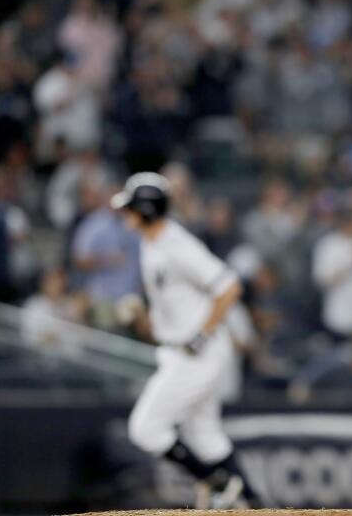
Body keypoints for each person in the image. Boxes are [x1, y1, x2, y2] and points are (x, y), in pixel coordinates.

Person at [110, 172, 253, 508]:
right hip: (180, 350)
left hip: (196, 353)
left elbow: (229, 286)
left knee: (145, 428)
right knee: (205, 436)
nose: (125, 214)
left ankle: (218, 482)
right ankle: (253, 499)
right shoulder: (152, 243)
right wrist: (142, 318)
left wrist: (202, 335)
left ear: (145, 210)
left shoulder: (176, 244)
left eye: (130, 208)